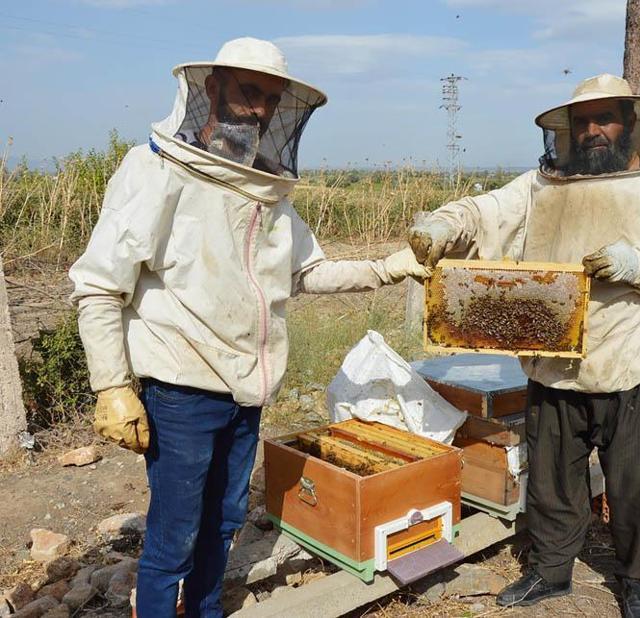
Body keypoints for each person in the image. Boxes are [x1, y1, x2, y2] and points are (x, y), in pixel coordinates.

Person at [69, 37, 429, 618]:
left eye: (270, 98)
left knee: (224, 525)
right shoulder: (156, 172)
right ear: (211, 89)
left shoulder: (269, 191)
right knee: (174, 535)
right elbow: (98, 285)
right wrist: (110, 385)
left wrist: (388, 268)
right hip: (180, 390)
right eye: (248, 91)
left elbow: (310, 271)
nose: (258, 108)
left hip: (247, 390)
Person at [408, 74, 640, 618]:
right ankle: (551, 571)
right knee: (553, 483)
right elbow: (487, 213)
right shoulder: (540, 187)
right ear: (567, 131)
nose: (593, 130)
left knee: (637, 487)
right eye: (583, 121)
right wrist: (444, 224)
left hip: (635, 366)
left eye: (606, 119)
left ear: (630, 124)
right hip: (555, 366)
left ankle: (637, 581)